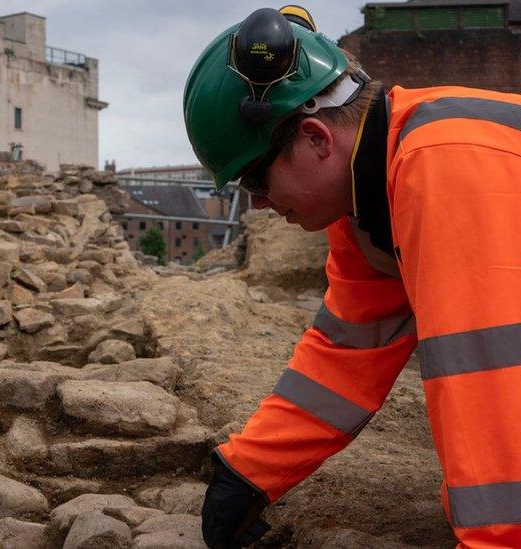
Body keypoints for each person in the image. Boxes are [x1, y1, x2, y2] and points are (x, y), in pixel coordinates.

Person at [183, 5, 521, 548]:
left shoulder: (443, 167)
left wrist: (498, 538)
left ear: (317, 138)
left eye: (256, 179)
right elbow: (348, 354)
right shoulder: (372, 199)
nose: (262, 203)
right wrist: (248, 473)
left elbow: (493, 376)